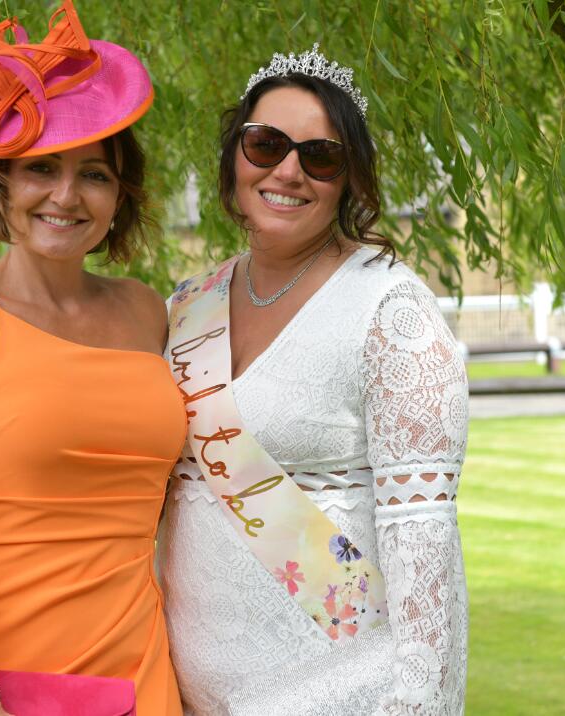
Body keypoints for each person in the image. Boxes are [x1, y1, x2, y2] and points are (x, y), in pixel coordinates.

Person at [156, 45, 469, 715]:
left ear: (349, 177)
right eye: (266, 145)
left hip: (344, 689)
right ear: (234, 158)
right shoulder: (185, 306)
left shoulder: (389, 309)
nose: (288, 170)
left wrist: (421, 703)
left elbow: (425, 543)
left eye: (320, 156)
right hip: (185, 689)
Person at [0, 3, 184, 714]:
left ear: (120, 195)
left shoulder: (147, 312)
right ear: (1, 183)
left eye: (94, 174)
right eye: (40, 169)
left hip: (137, 668)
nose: (65, 195)